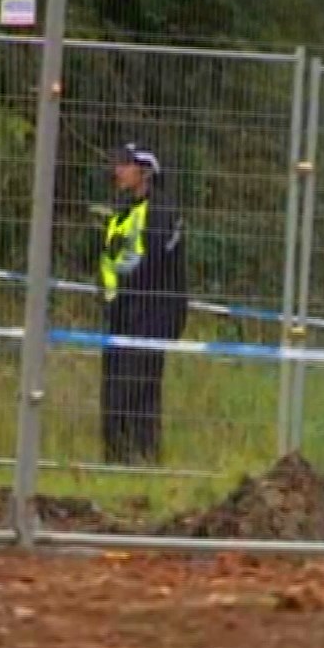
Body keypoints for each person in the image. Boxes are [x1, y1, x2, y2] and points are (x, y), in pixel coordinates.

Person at [97, 142, 188, 465]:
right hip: (120, 314)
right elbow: (112, 259)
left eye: (125, 165)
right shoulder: (123, 211)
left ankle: (142, 458)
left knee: (138, 389)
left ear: (145, 171)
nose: (118, 171)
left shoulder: (162, 212)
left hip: (150, 313)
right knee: (115, 390)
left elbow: (154, 266)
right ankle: (118, 460)